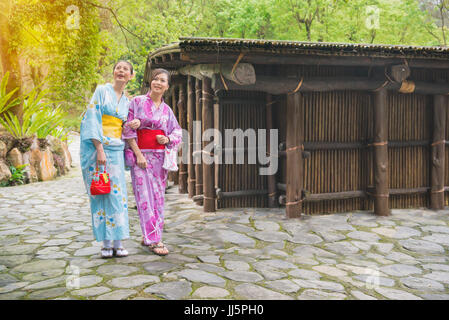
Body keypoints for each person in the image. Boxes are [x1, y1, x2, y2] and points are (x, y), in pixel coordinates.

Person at [80, 60, 140, 258]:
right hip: (99, 149)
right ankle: (105, 243)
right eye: (118, 68)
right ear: (113, 72)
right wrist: (99, 148)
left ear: (131, 76)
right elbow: (92, 118)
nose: (121, 71)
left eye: (125, 69)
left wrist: (133, 123)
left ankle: (118, 241)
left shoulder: (127, 101)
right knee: (101, 192)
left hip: (116, 150)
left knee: (118, 195)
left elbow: (125, 128)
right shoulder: (101, 91)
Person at [122, 68, 182, 256]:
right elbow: (127, 129)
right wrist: (138, 154)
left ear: (167, 86)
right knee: (144, 198)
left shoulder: (167, 110)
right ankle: (155, 240)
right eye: (155, 79)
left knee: (158, 198)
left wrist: (168, 139)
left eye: (162, 81)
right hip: (141, 156)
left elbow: (177, 131)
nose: (158, 83)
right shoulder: (137, 102)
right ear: (150, 81)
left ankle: (149, 234)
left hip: (159, 159)